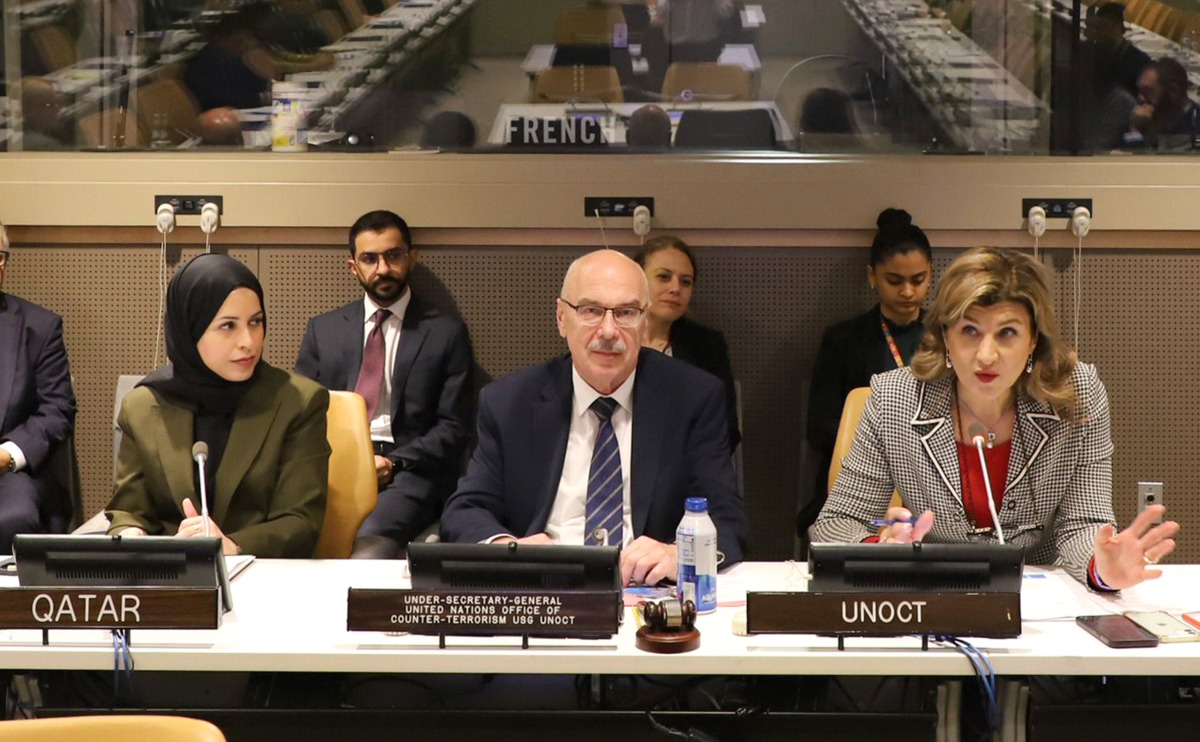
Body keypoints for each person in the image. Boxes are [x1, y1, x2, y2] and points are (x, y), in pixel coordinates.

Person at [811, 247, 1178, 590]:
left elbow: (1082, 524)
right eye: (970, 331)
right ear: (946, 337)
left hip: (1039, 597)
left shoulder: (1077, 396)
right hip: (933, 588)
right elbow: (837, 523)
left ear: (1033, 341)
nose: (986, 355)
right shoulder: (896, 399)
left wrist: (1100, 568)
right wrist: (881, 549)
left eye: (1007, 333)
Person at [440, 249, 747, 585]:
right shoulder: (509, 403)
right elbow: (466, 510)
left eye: (626, 313)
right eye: (591, 311)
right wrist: (510, 550)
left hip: (648, 590)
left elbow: (726, 519)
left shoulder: (693, 398)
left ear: (645, 323)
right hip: (545, 587)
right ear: (561, 318)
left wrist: (680, 554)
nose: (608, 331)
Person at [107, 253, 331, 558]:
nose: (248, 341)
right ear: (190, 329)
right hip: (172, 573)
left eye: (255, 322)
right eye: (228, 326)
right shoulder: (143, 405)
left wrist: (231, 545)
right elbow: (129, 511)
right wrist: (134, 537)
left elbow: (301, 521)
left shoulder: (299, 402)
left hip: (263, 571)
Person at [295, 210, 474, 557]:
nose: (383, 268)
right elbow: (300, 414)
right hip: (333, 465)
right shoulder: (323, 330)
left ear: (412, 257)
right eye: (370, 259)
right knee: (294, 529)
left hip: (408, 472)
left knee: (367, 545)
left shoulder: (445, 332)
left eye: (393, 255)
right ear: (353, 266)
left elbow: (454, 427)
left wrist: (395, 463)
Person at [799, 208, 933, 538]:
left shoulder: (946, 337)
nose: (908, 292)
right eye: (894, 281)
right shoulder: (843, 340)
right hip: (861, 479)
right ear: (872, 276)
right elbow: (819, 426)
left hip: (931, 484)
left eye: (918, 280)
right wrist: (884, 441)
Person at [0, 223, 77, 551]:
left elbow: (57, 410)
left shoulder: (40, 328)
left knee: (14, 519)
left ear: (3, 263)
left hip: (6, 474)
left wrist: (7, 455)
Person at [633, 236, 739, 451]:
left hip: (688, 463)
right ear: (636, 281)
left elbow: (726, 429)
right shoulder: (611, 339)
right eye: (663, 277)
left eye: (685, 282)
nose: (675, 288)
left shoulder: (707, 346)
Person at [1126, 58, 1198, 152]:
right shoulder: (1157, 115)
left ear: (1173, 91)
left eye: (1148, 91)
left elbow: (1141, 159)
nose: (1141, 98)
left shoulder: (1193, 128)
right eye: (1140, 90)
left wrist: (1136, 132)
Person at [1085, 3, 1151, 98]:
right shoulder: (1092, 52)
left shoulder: (1140, 62)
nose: (1098, 32)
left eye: (1104, 26)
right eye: (1097, 27)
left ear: (1120, 29)